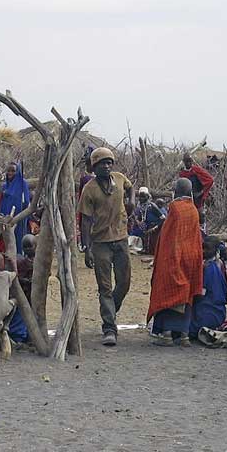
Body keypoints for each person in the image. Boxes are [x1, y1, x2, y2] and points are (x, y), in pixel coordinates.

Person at [77, 147, 134, 346]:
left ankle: (111, 310)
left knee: (124, 282)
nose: (107, 166)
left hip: (121, 238)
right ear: (94, 167)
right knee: (105, 287)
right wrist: (87, 248)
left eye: (109, 162)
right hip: (100, 242)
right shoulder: (89, 189)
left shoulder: (119, 178)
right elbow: (85, 220)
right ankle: (109, 327)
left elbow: (130, 187)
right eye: (102, 163)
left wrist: (131, 201)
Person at [147, 178, 203, 346]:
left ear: (176, 191)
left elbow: (169, 237)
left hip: (174, 257)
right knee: (186, 296)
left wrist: (164, 259)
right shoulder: (193, 210)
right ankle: (184, 336)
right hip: (190, 258)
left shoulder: (175, 208)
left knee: (167, 292)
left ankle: (167, 335)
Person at [190, 235, 227, 339]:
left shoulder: (208, 268)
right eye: (202, 247)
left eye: (207, 248)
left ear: (216, 250)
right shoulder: (220, 265)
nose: (203, 251)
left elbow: (201, 293)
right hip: (219, 312)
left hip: (206, 311)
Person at [0, 161, 32, 256]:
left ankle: (19, 258)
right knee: (5, 240)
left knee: (18, 239)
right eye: (8, 170)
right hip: (5, 218)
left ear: (18, 172)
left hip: (18, 219)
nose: (10, 173)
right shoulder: (5, 186)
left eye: (13, 171)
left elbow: (27, 201)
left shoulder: (22, 183)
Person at [130, 187, 165, 254]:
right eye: (140, 197)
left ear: (147, 197)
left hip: (156, 229)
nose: (141, 199)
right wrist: (138, 222)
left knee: (153, 247)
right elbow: (139, 218)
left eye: (143, 197)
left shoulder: (152, 206)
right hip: (146, 228)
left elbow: (163, 218)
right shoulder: (140, 207)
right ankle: (145, 249)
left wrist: (155, 228)